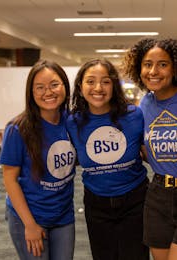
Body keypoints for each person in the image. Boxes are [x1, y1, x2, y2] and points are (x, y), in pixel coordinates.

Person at [123, 38, 177, 260]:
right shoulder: (145, 104)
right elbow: (144, 147)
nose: (154, 71)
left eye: (163, 64)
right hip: (158, 195)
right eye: (147, 64)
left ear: (175, 68)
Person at [66, 58, 149, 260]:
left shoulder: (134, 115)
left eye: (105, 81)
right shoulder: (72, 122)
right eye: (90, 81)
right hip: (96, 202)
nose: (98, 88)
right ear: (80, 86)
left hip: (135, 199)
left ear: (114, 85)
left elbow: (149, 153)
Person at [0, 60, 76, 259]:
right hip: (30, 216)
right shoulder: (18, 129)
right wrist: (30, 225)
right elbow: (10, 179)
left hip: (63, 215)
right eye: (39, 87)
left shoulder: (72, 122)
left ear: (65, 88)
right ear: (31, 93)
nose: (48, 92)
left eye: (54, 85)